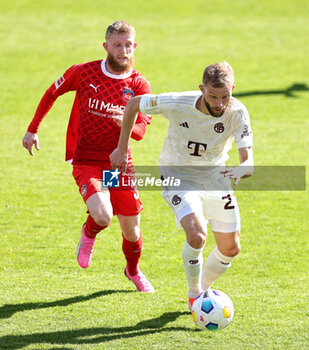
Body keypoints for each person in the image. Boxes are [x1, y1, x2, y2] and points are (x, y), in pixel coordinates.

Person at [22, 20, 155, 293]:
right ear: (106, 46)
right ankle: (89, 232)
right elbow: (52, 92)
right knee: (104, 215)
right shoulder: (84, 72)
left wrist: (125, 124)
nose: (123, 50)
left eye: (128, 44)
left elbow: (141, 130)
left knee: (132, 231)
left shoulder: (140, 85)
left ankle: (133, 271)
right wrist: (32, 130)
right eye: (117, 44)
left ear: (135, 46)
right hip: (87, 159)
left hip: (119, 162)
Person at [110, 61, 253, 307]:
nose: (219, 103)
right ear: (201, 89)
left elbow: (248, 160)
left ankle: (204, 289)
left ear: (233, 89)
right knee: (197, 236)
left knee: (230, 249)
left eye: (225, 96)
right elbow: (134, 104)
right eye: (213, 96)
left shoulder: (237, 112)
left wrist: (243, 168)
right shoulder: (178, 102)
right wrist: (122, 148)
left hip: (215, 180)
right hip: (178, 176)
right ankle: (194, 294)